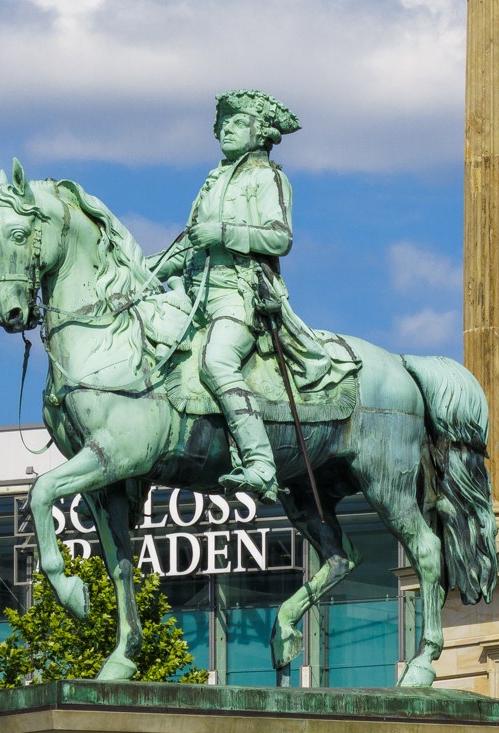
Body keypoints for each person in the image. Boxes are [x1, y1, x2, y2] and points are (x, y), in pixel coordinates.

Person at [151, 90, 359, 502]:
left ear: (258, 132)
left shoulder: (269, 178)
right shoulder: (212, 181)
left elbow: (280, 238)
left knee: (216, 361)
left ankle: (260, 463)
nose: (224, 129)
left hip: (240, 295)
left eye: (235, 122)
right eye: (222, 123)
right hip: (195, 297)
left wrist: (222, 234)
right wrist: (145, 268)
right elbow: (189, 244)